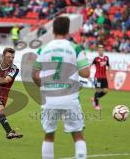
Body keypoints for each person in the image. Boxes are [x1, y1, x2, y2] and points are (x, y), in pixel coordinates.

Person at [32, 16, 90, 159]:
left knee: (49, 134)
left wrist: (42, 86)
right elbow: (86, 73)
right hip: (69, 98)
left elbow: (34, 74)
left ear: (53, 30)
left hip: (49, 98)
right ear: (68, 30)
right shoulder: (75, 48)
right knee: (77, 135)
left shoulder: (43, 49)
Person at [91, 45, 111, 110]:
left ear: (103, 51)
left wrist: (110, 73)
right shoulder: (96, 59)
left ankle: (94, 99)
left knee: (106, 90)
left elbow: (108, 65)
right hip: (97, 77)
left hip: (104, 77)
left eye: (101, 50)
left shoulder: (106, 58)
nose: (100, 51)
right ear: (98, 51)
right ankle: (96, 105)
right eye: (99, 50)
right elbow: (90, 65)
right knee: (98, 90)